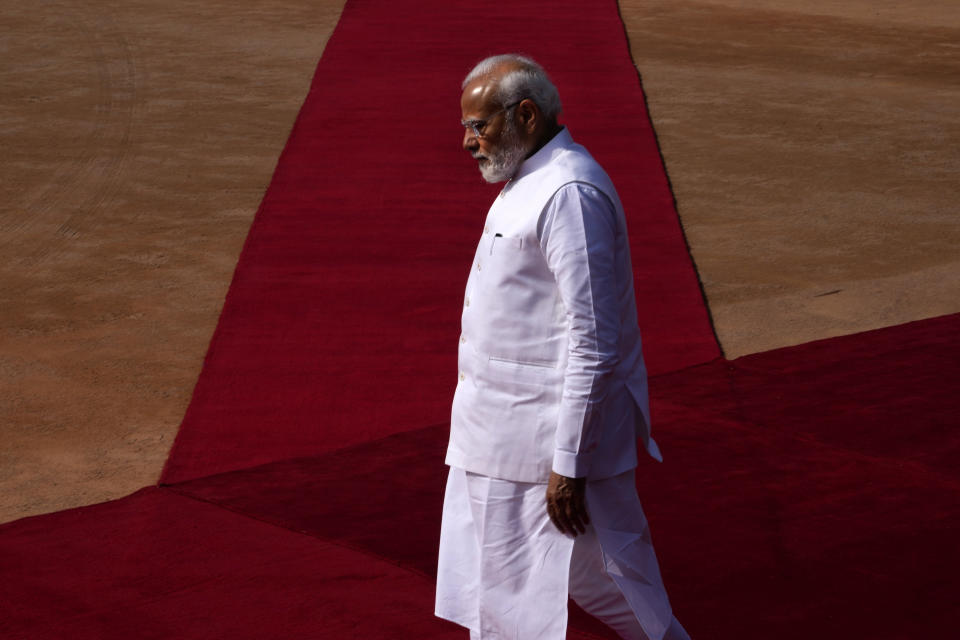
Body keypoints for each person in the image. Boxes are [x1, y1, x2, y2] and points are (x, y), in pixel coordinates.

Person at [435, 54, 691, 640]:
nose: (469, 143)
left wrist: (569, 465)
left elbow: (594, 340)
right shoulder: (529, 178)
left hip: (544, 451)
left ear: (526, 113)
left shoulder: (569, 192)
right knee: (506, 590)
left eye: (480, 126)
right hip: (496, 439)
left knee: (597, 588)